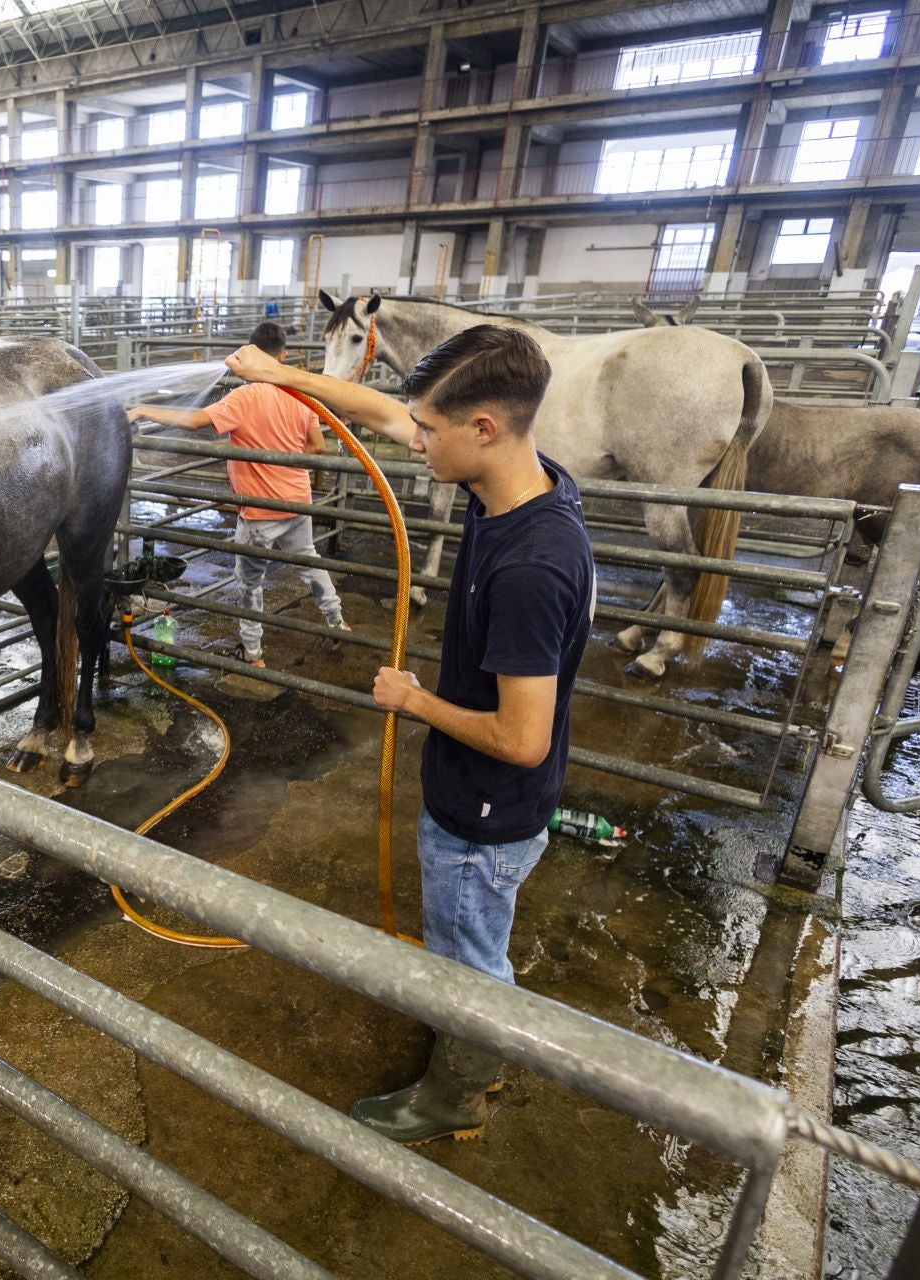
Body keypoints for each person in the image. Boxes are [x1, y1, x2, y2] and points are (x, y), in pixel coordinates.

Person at [226, 321, 595, 1145]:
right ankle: (463, 1027)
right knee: (464, 938)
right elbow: (384, 413)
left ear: (483, 428)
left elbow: (523, 738)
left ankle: (455, 1095)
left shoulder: (532, 565)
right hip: (485, 799)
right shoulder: (514, 481)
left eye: (429, 429)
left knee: (470, 955)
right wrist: (282, 375)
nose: (412, 438)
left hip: (487, 808)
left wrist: (413, 700)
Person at [125, 321, 349, 668]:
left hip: (260, 511)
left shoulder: (245, 396)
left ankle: (253, 653)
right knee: (309, 561)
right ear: (283, 354)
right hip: (297, 500)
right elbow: (317, 446)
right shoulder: (299, 394)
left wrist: (141, 410)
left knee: (249, 583)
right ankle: (337, 622)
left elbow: (195, 421)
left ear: (251, 354)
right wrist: (284, 460)